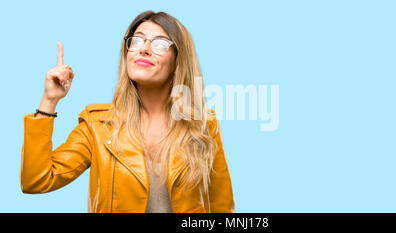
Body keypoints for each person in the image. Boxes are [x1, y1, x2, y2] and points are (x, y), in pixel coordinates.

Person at [20, 11, 235, 213]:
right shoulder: (98, 126)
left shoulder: (203, 126)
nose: (144, 48)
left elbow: (222, 209)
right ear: (127, 53)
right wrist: (49, 101)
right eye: (137, 40)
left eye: (159, 43)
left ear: (178, 61)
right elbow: (36, 180)